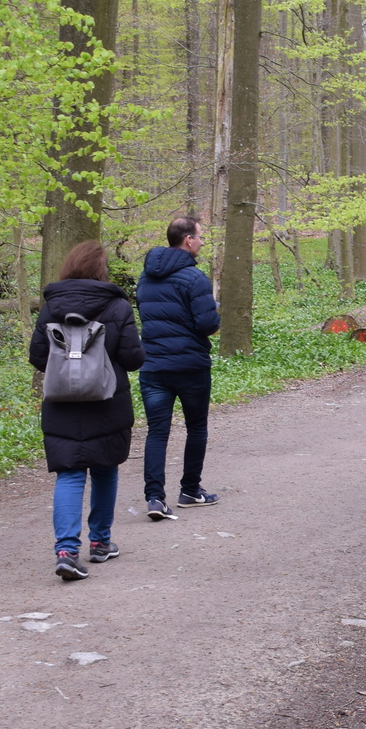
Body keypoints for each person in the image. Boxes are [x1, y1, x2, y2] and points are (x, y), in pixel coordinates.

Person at [29, 240, 145, 582]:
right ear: (101, 269)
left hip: (61, 404)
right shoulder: (117, 305)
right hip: (108, 402)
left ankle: (66, 551)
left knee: (70, 473)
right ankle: (100, 542)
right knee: (105, 469)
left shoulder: (51, 306)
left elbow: (37, 356)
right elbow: (133, 359)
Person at [136, 216, 222, 520]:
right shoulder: (194, 278)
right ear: (188, 240)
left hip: (153, 365)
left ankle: (154, 499)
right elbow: (208, 325)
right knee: (196, 427)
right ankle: (190, 490)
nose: (202, 242)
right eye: (200, 237)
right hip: (190, 365)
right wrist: (214, 312)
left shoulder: (145, 278)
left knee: (157, 432)